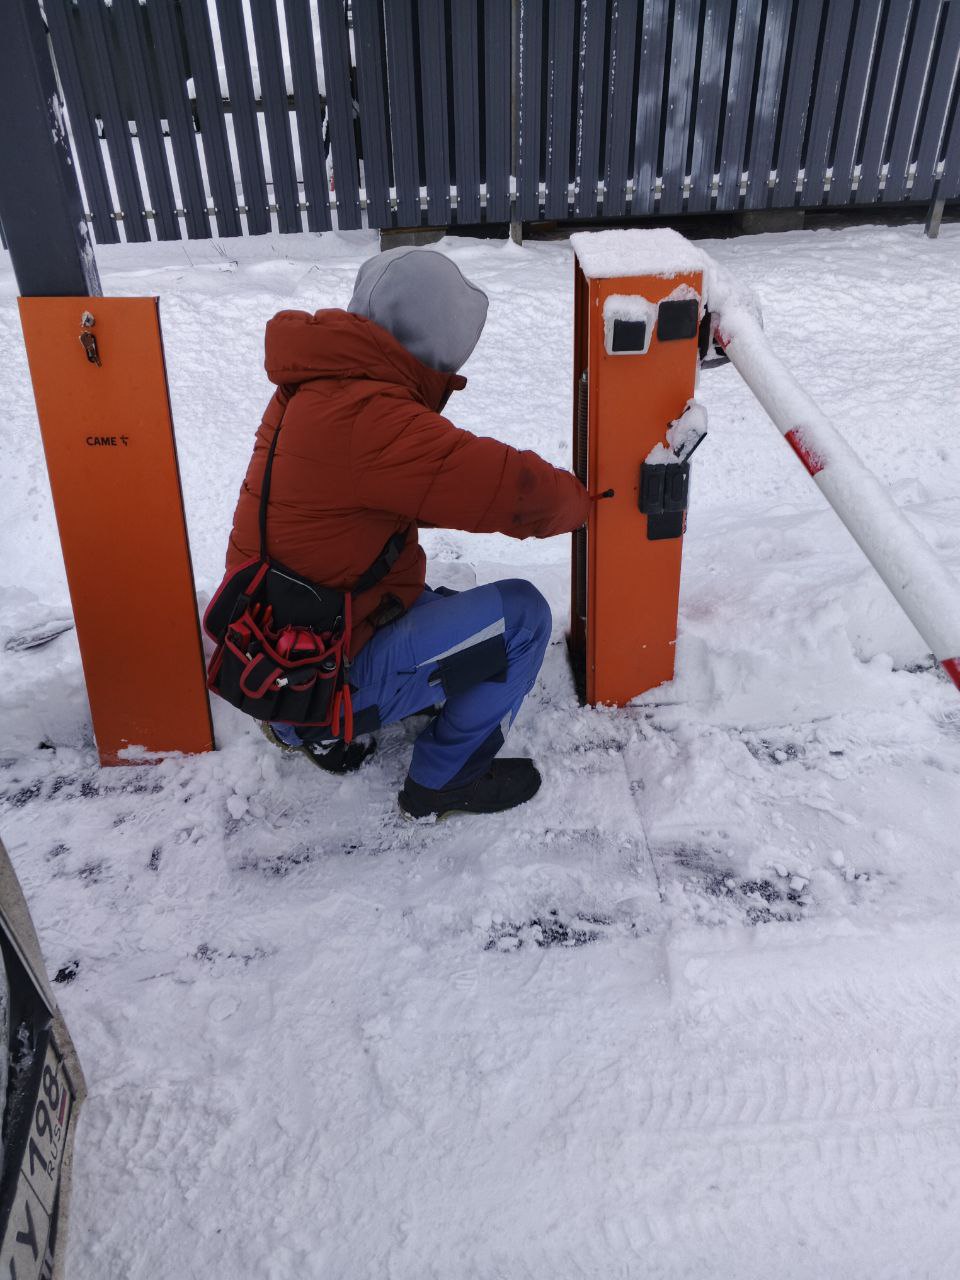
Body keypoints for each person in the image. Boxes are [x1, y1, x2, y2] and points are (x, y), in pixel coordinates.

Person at [225, 247, 590, 818]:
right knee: (520, 618)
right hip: (322, 673)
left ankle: (310, 732)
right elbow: (514, 492)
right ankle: (447, 781)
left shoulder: (314, 389)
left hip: (279, 655)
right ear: (427, 339)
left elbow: (399, 488)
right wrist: (586, 503)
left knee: (438, 603)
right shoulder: (371, 417)